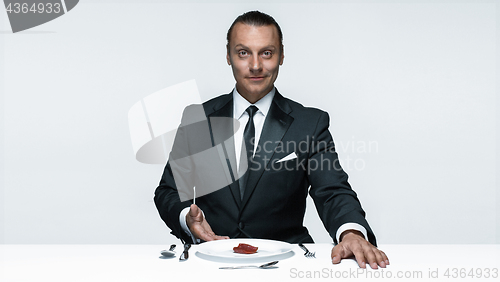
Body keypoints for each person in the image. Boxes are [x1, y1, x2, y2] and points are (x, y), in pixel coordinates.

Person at [154, 10, 389, 269]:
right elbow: (169, 190)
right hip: (210, 261)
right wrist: (187, 217)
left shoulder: (310, 124)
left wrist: (351, 233)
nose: (256, 65)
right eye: (243, 52)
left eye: (267, 53)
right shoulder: (197, 119)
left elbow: (332, 190)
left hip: (287, 263)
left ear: (281, 55)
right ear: (229, 56)